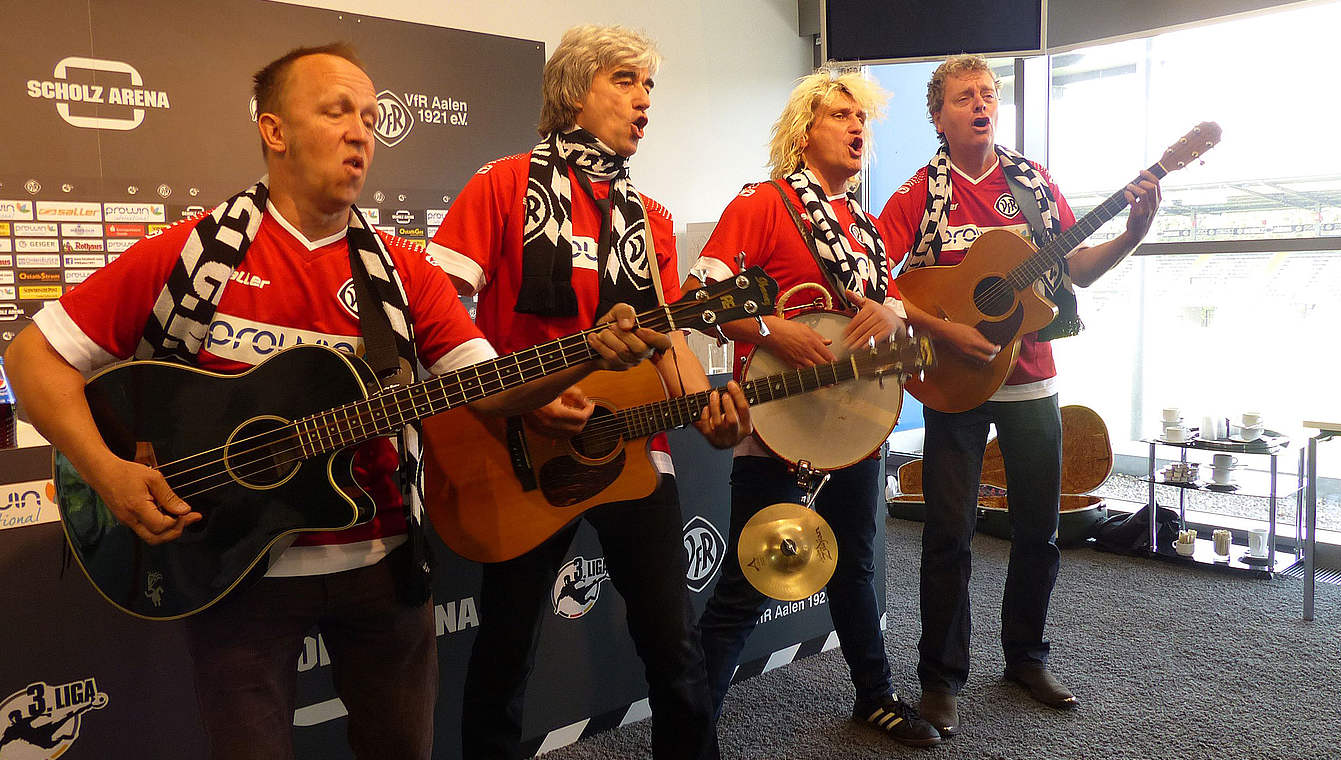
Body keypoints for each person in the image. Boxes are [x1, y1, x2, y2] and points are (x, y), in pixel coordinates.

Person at [3, 43, 666, 759]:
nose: (361, 132)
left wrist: (579, 358)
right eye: (337, 111)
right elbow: (32, 357)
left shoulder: (405, 273)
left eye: (372, 118)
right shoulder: (191, 254)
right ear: (274, 129)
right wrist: (106, 471)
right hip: (233, 574)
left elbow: (496, 390)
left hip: (383, 568)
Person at [426, 25, 750, 760]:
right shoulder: (501, 184)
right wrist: (525, 399)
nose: (645, 102)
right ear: (575, 91)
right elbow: (438, 315)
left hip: (635, 452)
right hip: (519, 455)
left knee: (675, 648)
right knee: (505, 653)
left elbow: (668, 343)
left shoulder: (654, 219)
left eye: (650, 88)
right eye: (626, 82)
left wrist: (713, 416)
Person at [876, 54, 1161, 736]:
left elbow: (1078, 269)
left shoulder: (1032, 187)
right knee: (948, 533)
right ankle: (941, 678)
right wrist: (943, 326)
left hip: (1032, 373)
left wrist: (1133, 230)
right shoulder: (917, 196)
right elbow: (876, 282)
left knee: (1040, 528)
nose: (980, 103)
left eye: (987, 94)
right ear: (938, 115)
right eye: (964, 96)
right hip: (952, 377)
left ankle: (1026, 657)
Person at [684, 69, 942, 748]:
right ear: (804, 133)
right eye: (842, 115)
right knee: (747, 587)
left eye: (865, 119)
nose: (860, 128)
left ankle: (875, 696)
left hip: (853, 428)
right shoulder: (762, 203)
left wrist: (891, 316)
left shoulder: (863, 227)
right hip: (778, 429)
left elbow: (886, 326)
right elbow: (698, 299)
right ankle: (690, 737)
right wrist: (771, 328)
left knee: (854, 565)